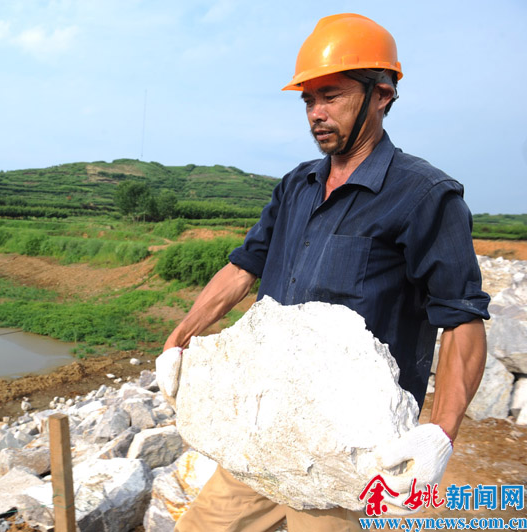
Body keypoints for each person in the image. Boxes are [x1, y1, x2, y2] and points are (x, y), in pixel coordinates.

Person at [158, 13, 490, 532]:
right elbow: (245, 267)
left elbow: (462, 319)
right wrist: (177, 341)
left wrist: (440, 434)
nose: (316, 113)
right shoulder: (297, 185)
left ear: (381, 94)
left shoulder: (425, 197)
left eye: (331, 95)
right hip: (264, 432)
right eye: (308, 100)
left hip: (350, 462)